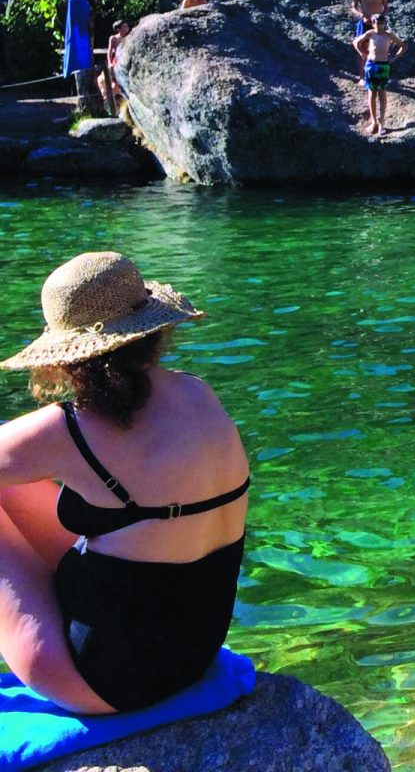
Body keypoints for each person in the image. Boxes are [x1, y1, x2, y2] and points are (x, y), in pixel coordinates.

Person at [0, 251, 249, 712]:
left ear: (68, 356)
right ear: (152, 330)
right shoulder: (198, 392)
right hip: (195, 656)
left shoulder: (71, 430)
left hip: (100, 682)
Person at [353, 14, 407, 135]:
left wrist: (395, 57)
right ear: (372, 23)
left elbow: (403, 45)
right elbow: (356, 42)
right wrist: (362, 53)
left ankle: (382, 123)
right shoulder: (370, 33)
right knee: (372, 93)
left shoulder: (389, 35)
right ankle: (374, 122)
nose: (379, 25)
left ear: (384, 23)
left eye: (381, 22)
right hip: (371, 65)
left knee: (382, 93)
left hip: (383, 65)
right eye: (376, 22)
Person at [101, 20, 129, 114]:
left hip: (125, 60)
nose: (127, 28)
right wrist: (110, 63)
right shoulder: (114, 38)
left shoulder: (129, 37)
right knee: (114, 82)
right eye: (124, 27)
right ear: (119, 29)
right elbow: (109, 51)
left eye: (127, 26)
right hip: (116, 61)